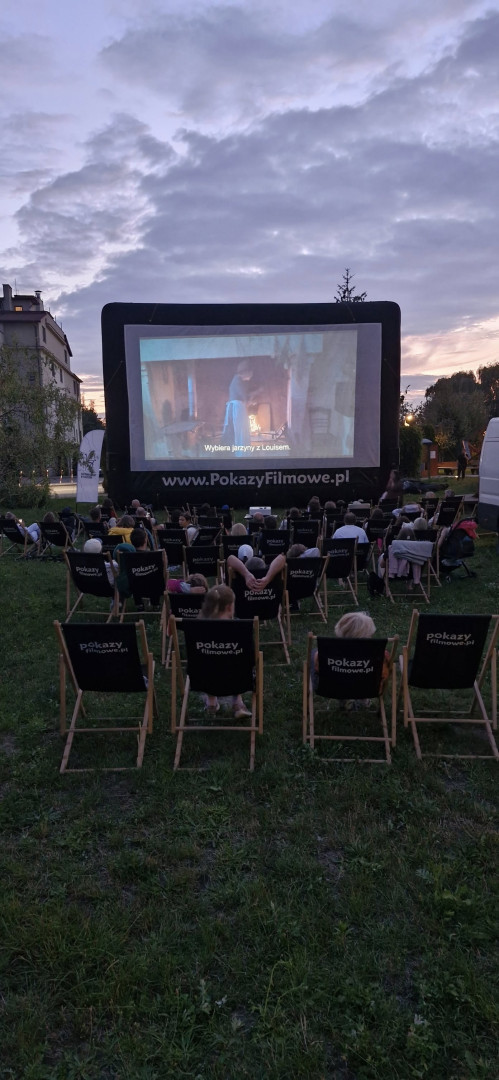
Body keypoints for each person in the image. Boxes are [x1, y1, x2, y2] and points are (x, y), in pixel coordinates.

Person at [312, 611, 390, 709]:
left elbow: (318, 669)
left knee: (314, 655)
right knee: (368, 677)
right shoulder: (381, 655)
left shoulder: (326, 653)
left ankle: (343, 698)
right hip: (368, 688)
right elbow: (383, 674)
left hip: (332, 687)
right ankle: (363, 698)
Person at [199, 584, 252, 719]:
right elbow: (249, 657)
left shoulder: (197, 628)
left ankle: (211, 703)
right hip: (236, 677)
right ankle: (238, 703)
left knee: (209, 662)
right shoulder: (240, 627)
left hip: (204, 677)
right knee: (238, 662)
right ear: (229, 607)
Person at [222, 361, 253, 452]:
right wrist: (248, 401)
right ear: (246, 372)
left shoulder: (237, 380)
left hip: (237, 408)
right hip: (237, 409)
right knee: (239, 431)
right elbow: (244, 397)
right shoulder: (237, 381)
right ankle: (240, 452)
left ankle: (239, 451)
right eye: (250, 373)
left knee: (239, 431)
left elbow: (243, 396)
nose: (251, 376)